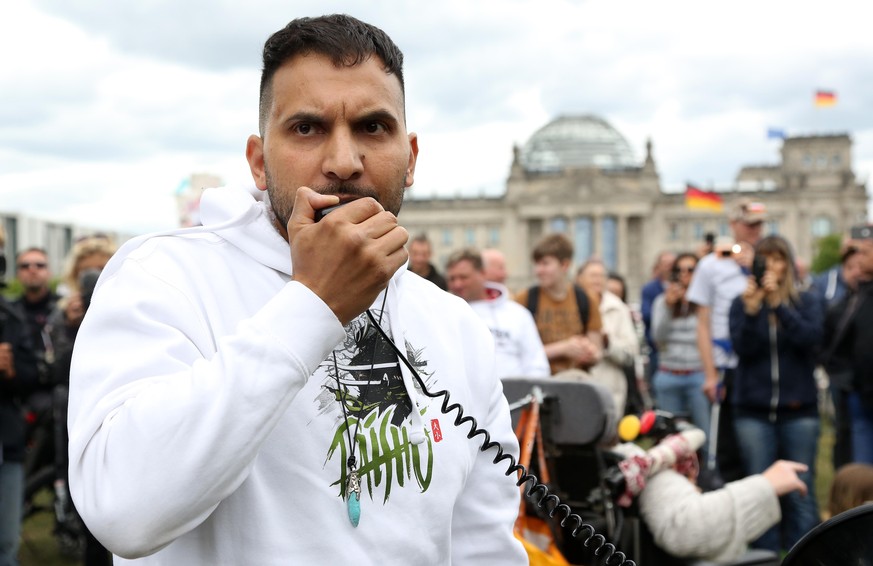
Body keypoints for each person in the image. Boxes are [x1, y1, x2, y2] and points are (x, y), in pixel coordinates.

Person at [67, 15, 526, 566]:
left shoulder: (456, 327)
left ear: (412, 159)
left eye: (373, 128)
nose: (343, 163)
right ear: (259, 163)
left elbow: (483, 546)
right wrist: (313, 305)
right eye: (306, 128)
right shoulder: (164, 278)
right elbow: (123, 509)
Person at [729, 235, 823, 552]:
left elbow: (809, 340)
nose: (771, 266)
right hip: (753, 411)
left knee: (801, 488)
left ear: (787, 264)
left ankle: (806, 555)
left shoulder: (805, 300)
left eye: (777, 259)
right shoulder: (741, 304)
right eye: (764, 260)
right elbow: (743, 349)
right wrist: (753, 311)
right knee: (760, 487)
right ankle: (765, 557)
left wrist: (778, 307)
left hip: (799, 410)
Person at [686, 199, 767, 483]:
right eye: (749, 224)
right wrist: (709, 373)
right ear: (733, 225)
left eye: (759, 224)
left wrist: (757, 266)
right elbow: (703, 322)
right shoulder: (712, 264)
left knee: (760, 443)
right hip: (727, 364)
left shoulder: (771, 260)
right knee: (727, 444)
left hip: (762, 361)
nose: (755, 230)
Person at [49, 235, 118, 566]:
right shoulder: (63, 315)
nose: (94, 278)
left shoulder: (130, 304)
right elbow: (55, 370)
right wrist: (72, 325)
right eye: (87, 272)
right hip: (76, 414)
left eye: (102, 270)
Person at [445, 248, 548, 379]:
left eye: (463, 277)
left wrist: (532, 394)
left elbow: (536, 363)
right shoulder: (444, 315)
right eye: (452, 279)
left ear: (482, 273)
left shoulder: (518, 314)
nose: (457, 284)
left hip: (518, 393)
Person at [1, 226, 39, 566]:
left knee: (5, 542)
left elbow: (32, 377)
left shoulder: (9, 315)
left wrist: (11, 371)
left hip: (7, 444)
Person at [514, 234, 603, 376]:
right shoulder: (524, 299)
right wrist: (563, 348)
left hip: (576, 383)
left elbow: (597, 352)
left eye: (545, 263)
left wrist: (588, 352)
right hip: (539, 384)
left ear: (565, 265)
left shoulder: (586, 299)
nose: (538, 270)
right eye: (536, 264)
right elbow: (515, 354)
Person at [822, 224, 873, 465]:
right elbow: (828, 346)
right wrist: (844, 378)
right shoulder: (845, 303)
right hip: (857, 393)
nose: (859, 264)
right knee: (860, 465)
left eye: (866, 251)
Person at [650, 253, 710, 437]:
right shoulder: (662, 301)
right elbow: (657, 337)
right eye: (679, 270)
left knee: (703, 433)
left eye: (691, 270)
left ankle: (706, 466)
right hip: (669, 372)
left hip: (697, 374)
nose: (685, 275)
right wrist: (669, 307)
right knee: (671, 436)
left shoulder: (705, 302)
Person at [575, 259, 639, 417]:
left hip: (610, 390)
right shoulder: (569, 305)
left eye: (601, 276)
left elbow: (631, 354)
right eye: (592, 275)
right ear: (580, 278)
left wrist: (607, 342)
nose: (597, 280)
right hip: (576, 387)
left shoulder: (617, 308)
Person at [13, 248, 58, 391]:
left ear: (49, 272)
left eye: (40, 265)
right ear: (17, 273)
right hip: (18, 395)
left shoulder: (64, 310)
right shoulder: (8, 313)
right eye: (25, 266)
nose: (32, 270)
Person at [640, 251, 676, 380]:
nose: (669, 267)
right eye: (665, 264)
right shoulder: (649, 289)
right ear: (658, 266)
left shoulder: (685, 287)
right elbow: (646, 314)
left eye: (671, 264)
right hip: (657, 348)